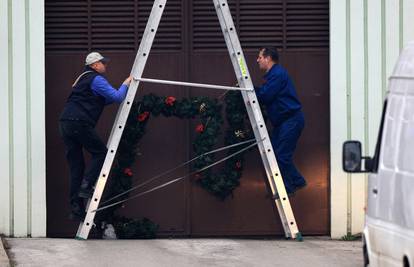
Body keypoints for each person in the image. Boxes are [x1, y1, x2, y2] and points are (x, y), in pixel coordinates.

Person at [59, 52, 132, 220]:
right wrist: (125, 84)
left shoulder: (82, 79)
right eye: (102, 63)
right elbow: (117, 97)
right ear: (94, 65)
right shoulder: (96, 79)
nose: (105, 65)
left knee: (76, 166)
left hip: (65, 123)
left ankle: (76, 209)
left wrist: (113, 94)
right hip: (79, 122)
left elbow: (99, 100)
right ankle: (86, 186)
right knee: (100, 153)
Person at [255, 46, 306, 198]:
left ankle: (292, 185)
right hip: (283, 123)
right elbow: (266, 92)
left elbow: (266, 96)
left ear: (268, 58)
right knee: (276, 155)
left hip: (290, 121)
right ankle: (293, 184)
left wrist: (251, 90)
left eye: (260, 57)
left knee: (281, 156)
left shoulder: (277, 74)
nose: (257, 60)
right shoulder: (274, 75)